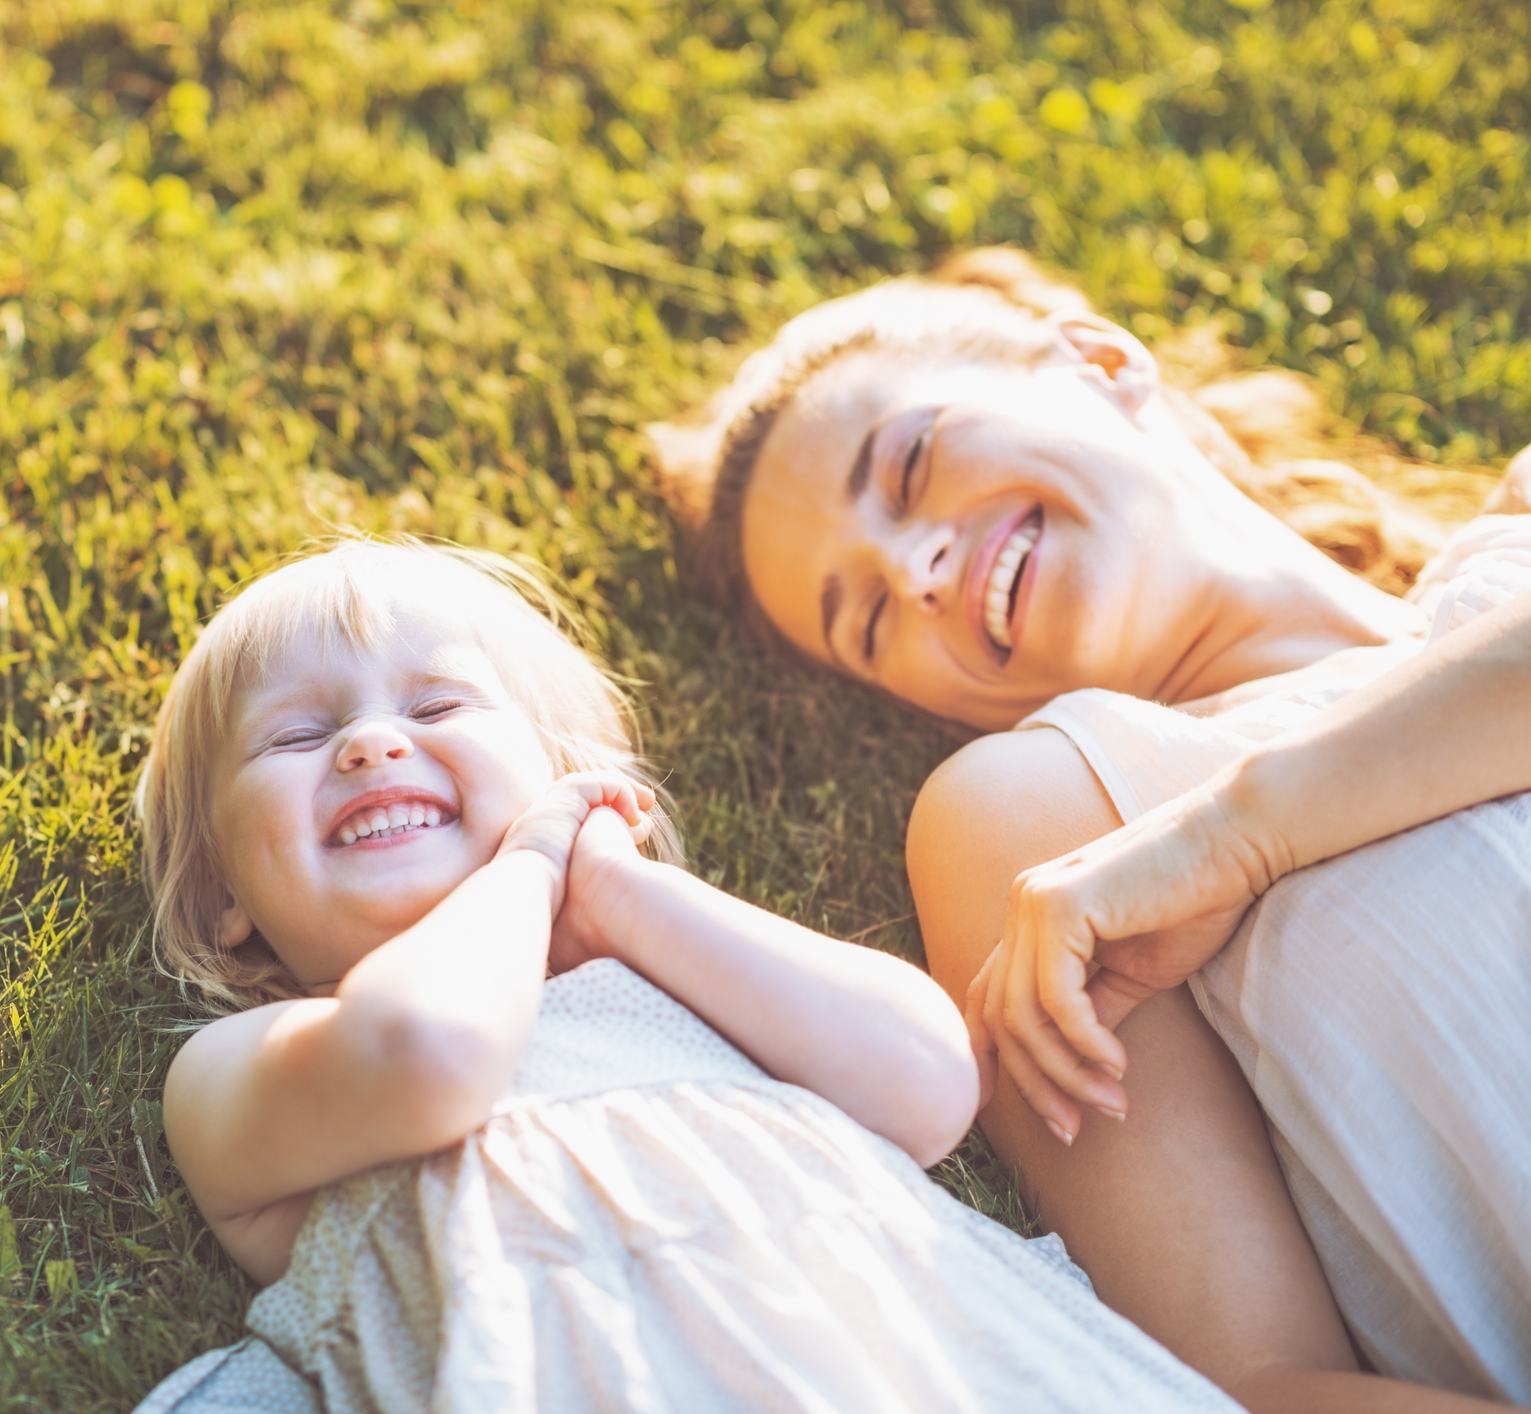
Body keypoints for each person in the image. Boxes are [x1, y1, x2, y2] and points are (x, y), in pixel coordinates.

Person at [655, 248, 1531, 1411]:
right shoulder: (1053, 821)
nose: (912, 567)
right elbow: (1256, 1379)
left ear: (1101, 362)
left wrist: (1243, 834)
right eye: (866, 619)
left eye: (909, 463)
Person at [129, 539, 1244, 1412]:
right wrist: (524, 867)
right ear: (225, 897)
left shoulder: (684, 977)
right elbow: (429, 1054)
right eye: (292, 739)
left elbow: (928, 1081)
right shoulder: (248, 1065)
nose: (369, 745)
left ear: (564, 783)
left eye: (432, 708)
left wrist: (616, 893)